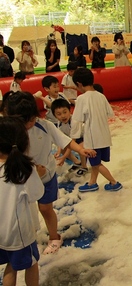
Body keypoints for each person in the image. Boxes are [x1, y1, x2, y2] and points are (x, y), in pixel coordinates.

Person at [5, 91, 96, 255]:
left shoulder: (44, 126)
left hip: (45, 174)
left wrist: (82, 149)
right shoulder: (10, 131)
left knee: (45, 208)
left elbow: (65, 140)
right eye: (23, 121)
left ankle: (54, 237)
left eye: (32, 119)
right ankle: (28, 234)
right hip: (21, 178)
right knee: (23, 209)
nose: (29, 124)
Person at [0, 117, 45, 286]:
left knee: (11, 264)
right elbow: (36, 194)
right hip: (19, 234)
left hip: (1, 232)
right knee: (31, 263)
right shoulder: (24, 170)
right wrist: (38, 176)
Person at [72, 68, 122, 192]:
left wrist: (73, 138)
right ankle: (92, 183)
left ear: (79, 83)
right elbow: (110, 113)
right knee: (96, 162)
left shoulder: (82, 99)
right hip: (104, 136)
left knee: (95, 163)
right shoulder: (101, 96)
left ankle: (113, 182)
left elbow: (76, 120)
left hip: (93, 138)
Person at [50, 99, 87, 176]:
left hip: (85, 138)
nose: (63, 116)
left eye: (65, 112)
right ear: (55, 116)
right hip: (72, 140)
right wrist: (59, 152)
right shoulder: (59, 123)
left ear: (70, 111)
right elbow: (61, 138)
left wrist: (63, 157)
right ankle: (77, 162)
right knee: (63, 147)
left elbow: (72, 142)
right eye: (59, 114)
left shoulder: (74, 121)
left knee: (80, 148)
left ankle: (84, 166)